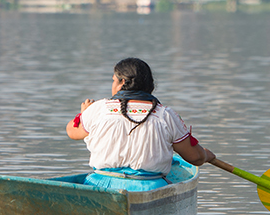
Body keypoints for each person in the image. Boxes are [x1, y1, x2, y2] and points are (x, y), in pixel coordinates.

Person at [66, 56, 215, 191]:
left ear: (122, 82)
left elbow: (72, 131)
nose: (112, 85)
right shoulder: (166, 115)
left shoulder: (98, 108)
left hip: (101, 185)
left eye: (113, 80)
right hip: (149, 187)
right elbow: (195, 157)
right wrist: (206, 156)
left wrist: (83, 113)